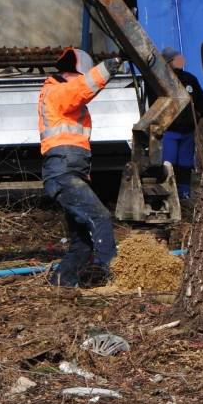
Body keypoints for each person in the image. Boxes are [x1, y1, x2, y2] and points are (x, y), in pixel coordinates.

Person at [39, 46, 121, 288]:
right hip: (64, 172)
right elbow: (80, 90)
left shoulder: (60, 95)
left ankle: (62, 283)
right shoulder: (56, 93)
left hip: (69, 171)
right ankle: (112, 275)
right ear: (70, 74)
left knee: (83, 241)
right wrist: (107, 68)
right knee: (100, 217)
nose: (84, 81)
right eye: (82, 76)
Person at [160, 47, 203, 200]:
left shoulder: (190, 79)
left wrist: (199, 114)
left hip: (188, 131)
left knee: (185, 164)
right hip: (170, 131)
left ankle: (184, 193)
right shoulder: (162, 80)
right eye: (175, 59)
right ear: (168, 62)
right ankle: (168, 193)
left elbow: (201, 100)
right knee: (169, 164)